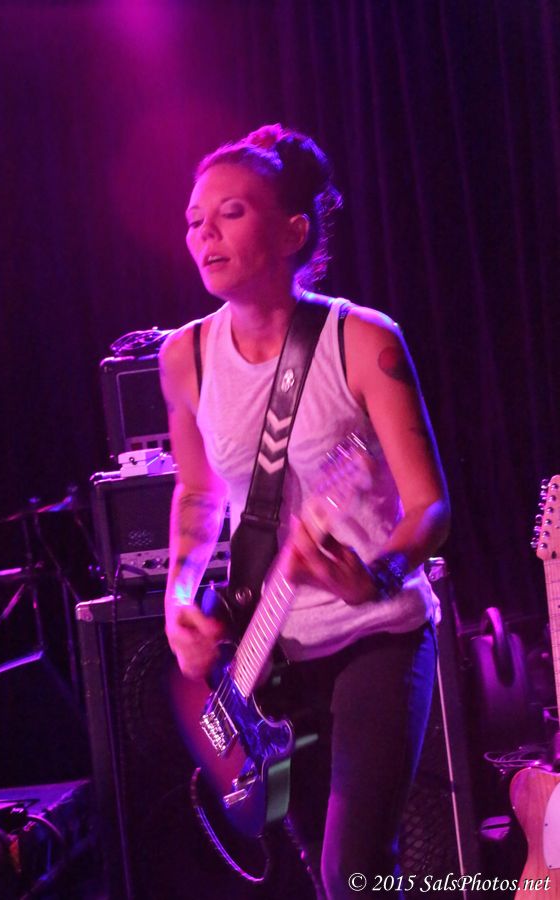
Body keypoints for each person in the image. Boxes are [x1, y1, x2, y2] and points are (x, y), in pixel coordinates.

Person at [159, 123, 450, 899]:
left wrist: (375, 574)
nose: (204, 234)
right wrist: (180, 596)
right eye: (194, 219)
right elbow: (198, 493)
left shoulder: (364, 341)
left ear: (293, 232)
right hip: (271, 659)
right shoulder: (183, 358)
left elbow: (430, 507)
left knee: (352, 873)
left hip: (376, 639)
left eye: (230, 213)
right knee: (318, 880)